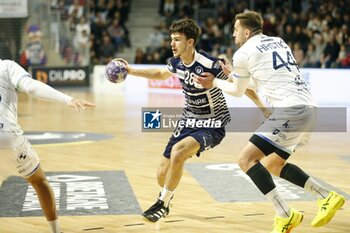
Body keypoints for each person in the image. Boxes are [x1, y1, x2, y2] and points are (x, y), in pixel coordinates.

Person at [196, 11, 345, 233]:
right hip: (309, 108)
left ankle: (285, 215)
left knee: (246, 159)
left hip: (290, 110)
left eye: (236, 29)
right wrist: (234, 76)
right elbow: (265, 80)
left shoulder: (242, 53)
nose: (234, 33)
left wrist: (215, 82)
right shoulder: (278, 41)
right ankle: (326, 196)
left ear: (246, 31)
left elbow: (237, 92)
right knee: (274, 164)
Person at [114, 18, 268, 222]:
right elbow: (160, 73)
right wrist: (132, 71)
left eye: (177, 39)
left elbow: (242, 85)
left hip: (212, 124)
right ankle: (166, 195)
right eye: (172, 39)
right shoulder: (176, 62)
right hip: (188, 120)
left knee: (178, 152)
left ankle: (163, 204)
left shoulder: (210, 64)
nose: (172, 44)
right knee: (162, 174)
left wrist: (264, 109)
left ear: (190, 42)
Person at [0, 59, 95, 233]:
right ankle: (56, 231)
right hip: (8, 139)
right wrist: (67, 99)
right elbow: (30, 87)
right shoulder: (6, 66)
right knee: (38, 180)